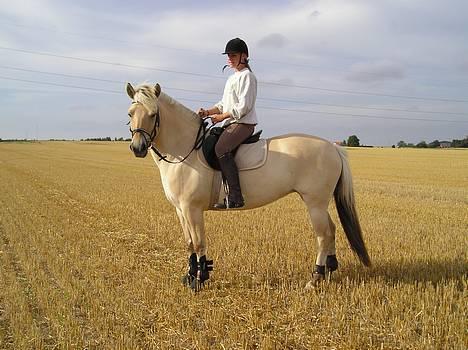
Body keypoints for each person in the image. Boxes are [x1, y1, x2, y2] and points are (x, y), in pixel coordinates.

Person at [198, 38, 258, 209]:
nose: (230, 58)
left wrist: (222, 117)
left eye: (233, 55)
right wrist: (208, 112)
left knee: (221, 148)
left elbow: (244, 107)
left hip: (244, 124)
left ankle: (236, 197)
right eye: (228, 56)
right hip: (231, 123)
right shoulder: (232, 78)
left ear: (244, 56)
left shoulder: (248, 77)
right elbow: (224, 104)